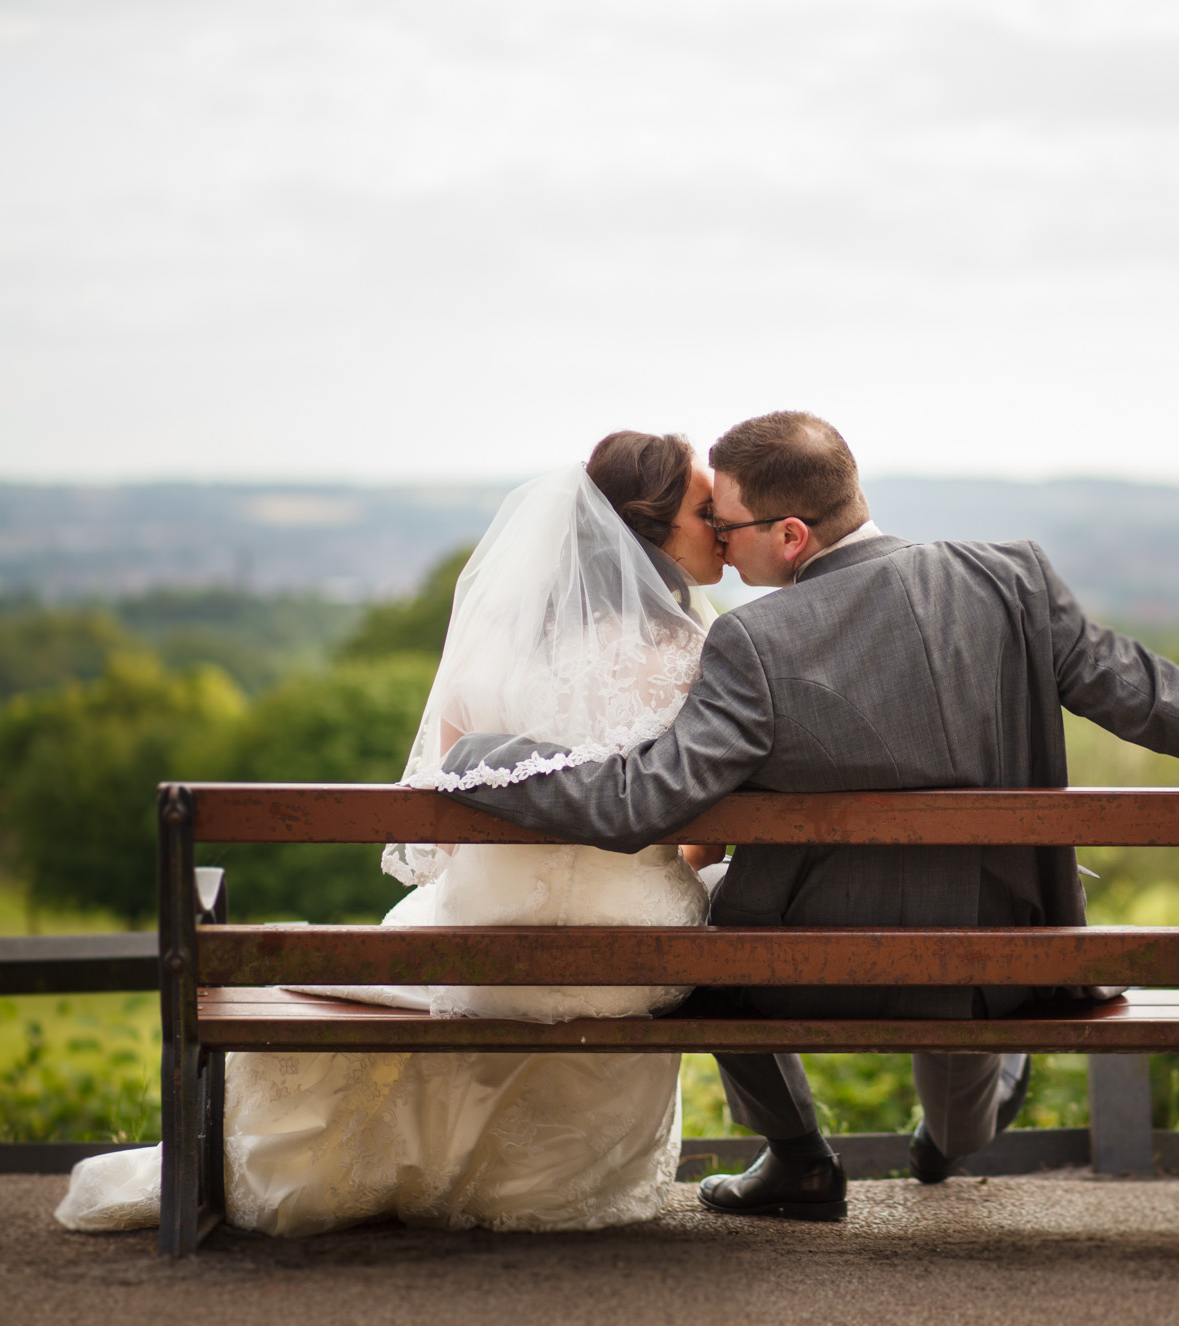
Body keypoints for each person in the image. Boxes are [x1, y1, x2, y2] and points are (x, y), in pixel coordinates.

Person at [440, 410, 1179, 1222]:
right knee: (953, 926)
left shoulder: (753, 647)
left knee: (691, 927)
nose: (719, 542)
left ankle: (800, 1162)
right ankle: (963, 1131)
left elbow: (636, 805)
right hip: (1008, 965)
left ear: (789, 533)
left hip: (802, 971)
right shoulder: (1013, 582)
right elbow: (1158, 696)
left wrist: (488, 762)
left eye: (731, 526)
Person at [56, 430, 729, 1236]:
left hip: (487, 950)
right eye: (704, 509)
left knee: (419, 933)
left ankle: (382, 1156)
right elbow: (704, 835)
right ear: (649, 528)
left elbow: (441, 819)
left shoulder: (499, 656)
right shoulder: (699, 654)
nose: (721, 520)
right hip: (633, 963)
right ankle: (538, 1173)